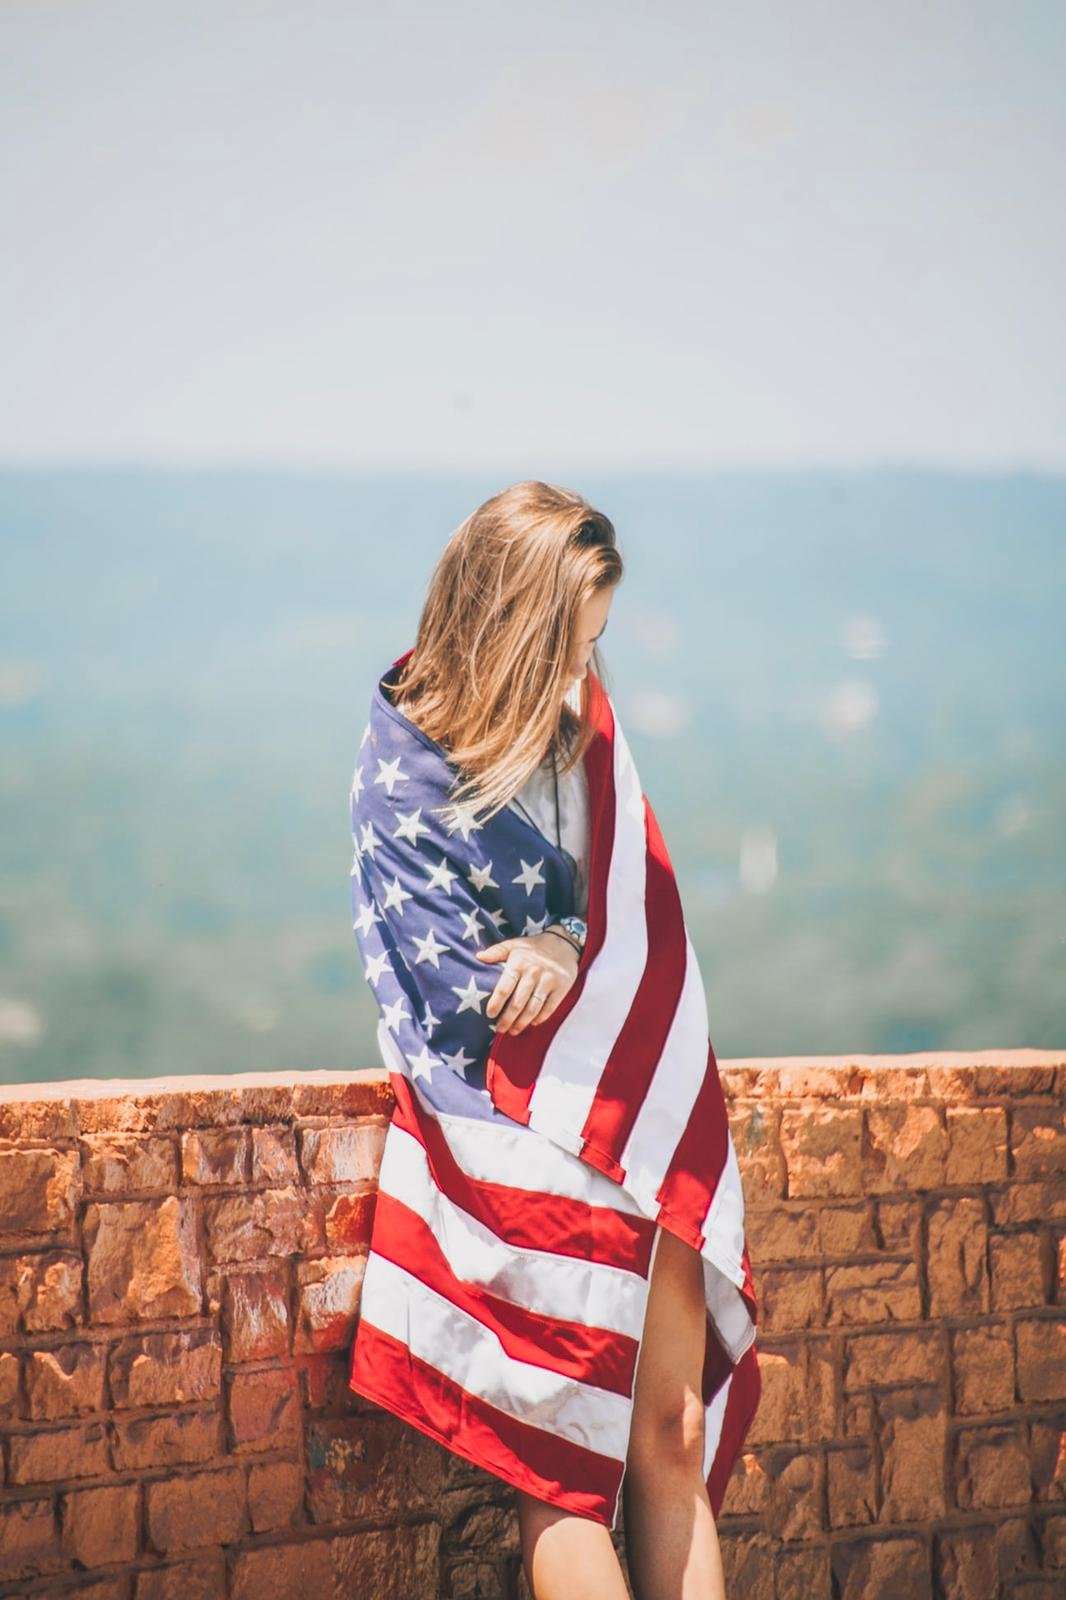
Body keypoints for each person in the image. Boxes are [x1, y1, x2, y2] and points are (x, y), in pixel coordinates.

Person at [347, 480, 760, 1600]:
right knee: (565, 1472)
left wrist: (568, 940)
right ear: (506, 620)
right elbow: (454, 990)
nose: (584, 667)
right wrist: (552, 947)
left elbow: (620, 906)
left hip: (631, 1108)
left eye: (595, 641)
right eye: (567, 642)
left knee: (672, 1431)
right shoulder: (406, 767)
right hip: (523, 1130)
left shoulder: (580, 730)